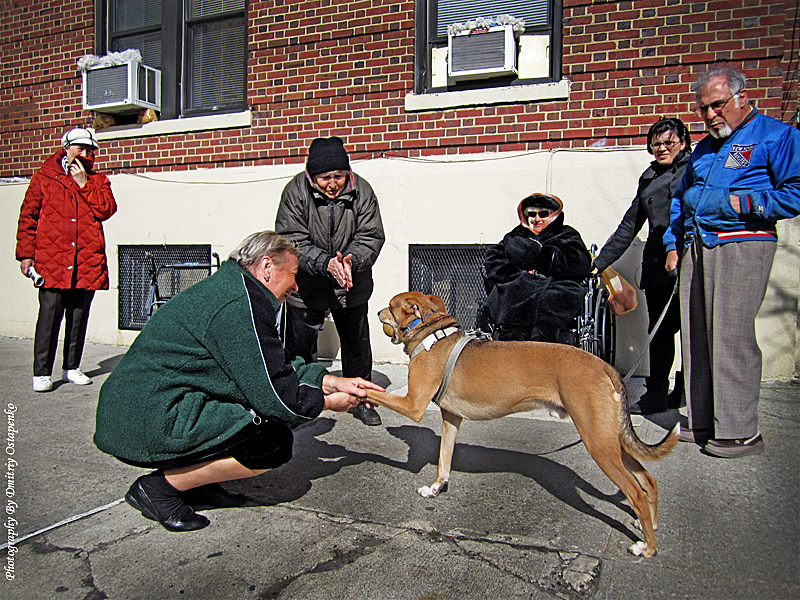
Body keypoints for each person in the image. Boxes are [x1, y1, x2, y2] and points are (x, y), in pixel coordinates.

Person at [94, 232, 383, 531]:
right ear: (267, 267)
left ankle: (193, 483)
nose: (296, 285)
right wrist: (327, 402)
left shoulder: (236, 290)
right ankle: (160, 488)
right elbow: (277, 394)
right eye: (293, 274)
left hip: (148, 406)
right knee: (272, 440)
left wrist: (332, 381)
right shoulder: (238, 303)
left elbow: (273, 365)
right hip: (147, 415)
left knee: (250, 415)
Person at [664, 67, 800, 458]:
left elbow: (795, 191)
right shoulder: (705, 148)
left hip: (743, 242)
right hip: (697, 245)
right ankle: (703, 419)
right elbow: (680, 198)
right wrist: (674, 243)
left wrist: (746, 204)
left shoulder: (776, 136)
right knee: (695, 335)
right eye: (703, 108)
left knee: (730, 335)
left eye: (717, 105)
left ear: (742, 97)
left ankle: (740, 430)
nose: (710, 115)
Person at [275, 136, 385, 426]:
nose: (333, 183)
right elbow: (291, 238)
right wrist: (325, 264)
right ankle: (301, 400)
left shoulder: (362, 190)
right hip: (307, 284)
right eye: (325, 177)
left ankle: (361, 399)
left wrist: (350, 262)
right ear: (312, 175)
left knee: (356, 345)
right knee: (299, 346)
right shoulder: (295, 191)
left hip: (352, 282)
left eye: (338, 176)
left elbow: (371, 236)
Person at [594, 118, 692, 414]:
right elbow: (629, 225)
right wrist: (599, 263)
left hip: (689, 261)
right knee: (660, 332)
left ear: (684, 143)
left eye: (669, 142)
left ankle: (688, 393)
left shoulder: (696, 169)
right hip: (657, 265)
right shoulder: (649, 177)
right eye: (656, 143)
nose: (662, 148)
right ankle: (656, 395)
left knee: (692, 332)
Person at [15, 127, 117, 392]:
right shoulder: (44, 177)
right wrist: (26, 254)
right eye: (79, 148)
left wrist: (85, 186)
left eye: (89, 150)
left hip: (86, 261)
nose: (84, 154)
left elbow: (107, 210)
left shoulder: (98, 181)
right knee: (49, 316)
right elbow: (28, 217)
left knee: (78, 317)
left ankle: (72, 367)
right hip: (52, 260)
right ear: (66, 148)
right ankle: (41, 372)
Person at [480, 193, 592, 343]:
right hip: (520, 284)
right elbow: (494, 262)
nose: (537, 219)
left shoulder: (566, 234)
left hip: (555, 285)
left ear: (553, 215)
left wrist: (543, 256)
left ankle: (543, 343)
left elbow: (579, 263)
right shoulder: (513, 237)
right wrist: (517, 277)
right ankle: (511, 344)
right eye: (532, 214)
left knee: (553, 298)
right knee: (512, 293)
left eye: (543, 214)